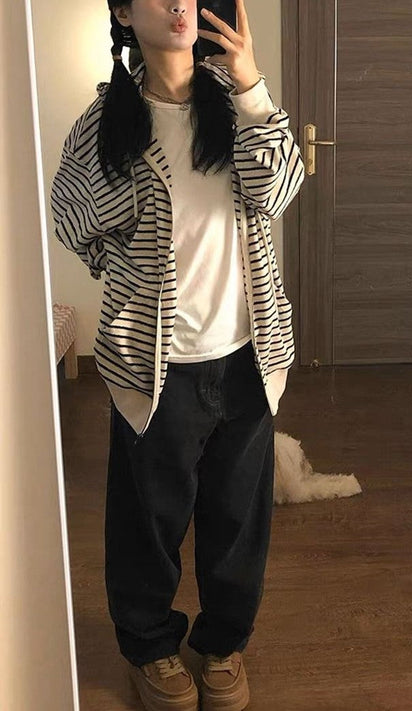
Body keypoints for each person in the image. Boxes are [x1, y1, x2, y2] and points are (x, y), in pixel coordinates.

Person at [50, 1, 304, 710]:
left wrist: (251, 84)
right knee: (149, 520)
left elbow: (279, 190)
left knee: (237, 519)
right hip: (152, 365)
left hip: (248, 355)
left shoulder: (236, 102)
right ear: (124, 12)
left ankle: (221, 641)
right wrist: (129, 260)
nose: (178, 4)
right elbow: (72, 217)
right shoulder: (107, 123)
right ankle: (150, 646)